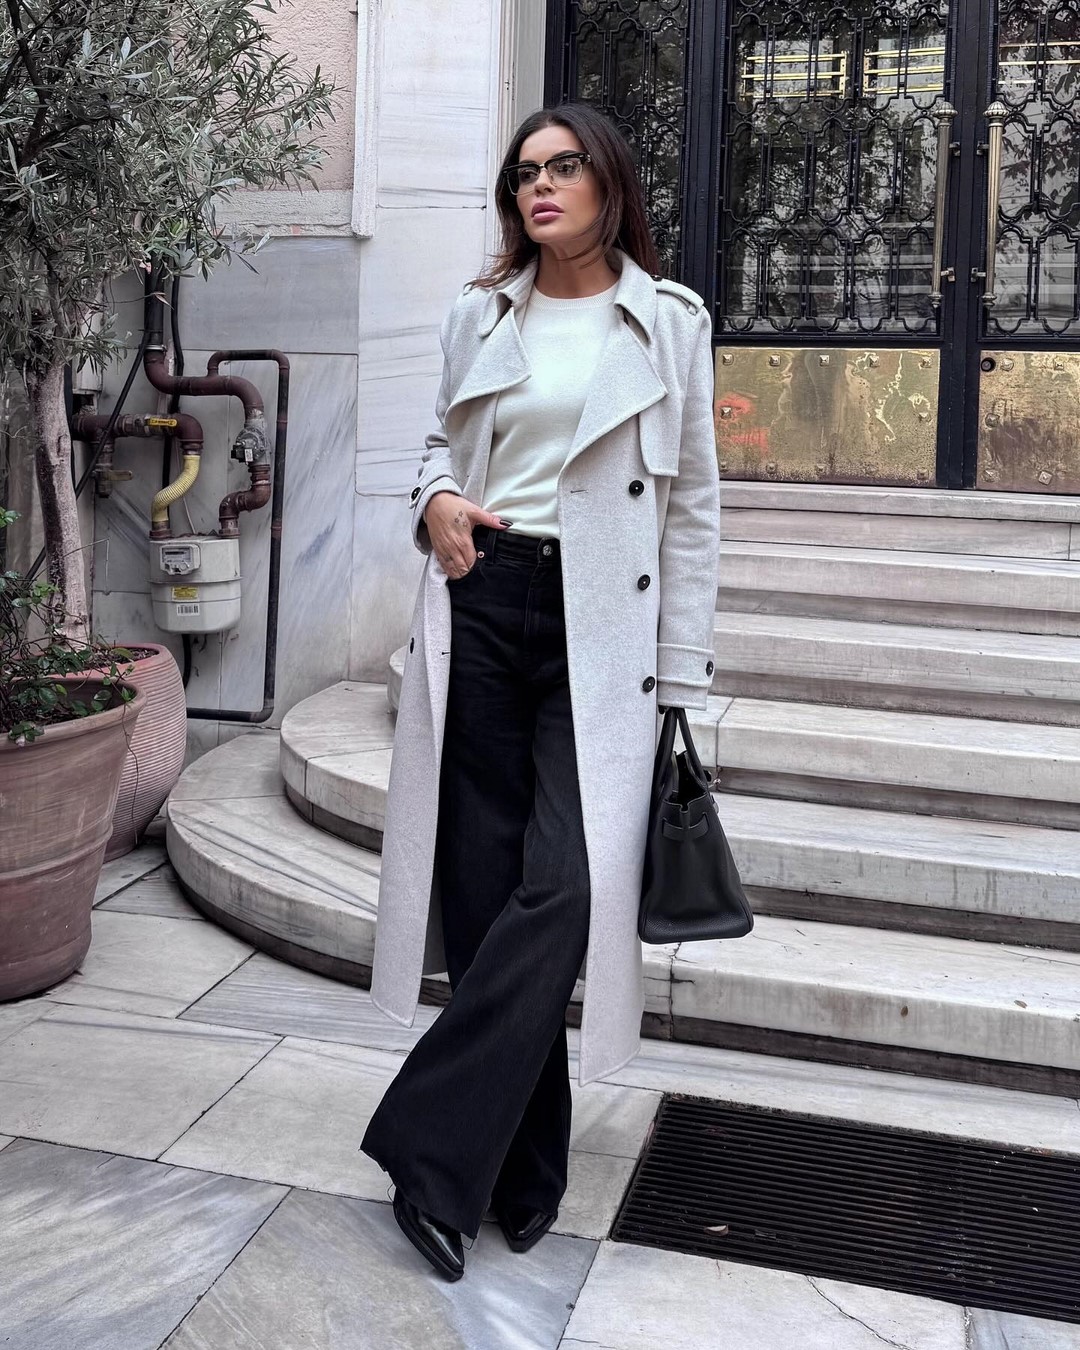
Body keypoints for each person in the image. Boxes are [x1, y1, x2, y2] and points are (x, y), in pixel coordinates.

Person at [360, 102, 721, 1281]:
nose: (540, 187)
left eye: (564, 167)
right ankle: (518, 1170)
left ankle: (426, 1144)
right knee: (479, 894)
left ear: (609, 183)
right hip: (486, 598)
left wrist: (683, 674)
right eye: (524, 173)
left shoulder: (668, 323)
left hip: (601, 627)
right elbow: (437, 447)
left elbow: (693, 511)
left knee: (564, 886)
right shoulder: (480, 315)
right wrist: (434, 503)